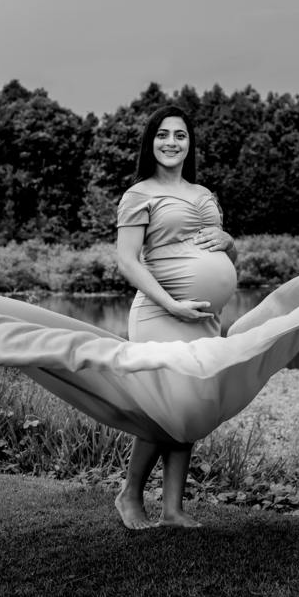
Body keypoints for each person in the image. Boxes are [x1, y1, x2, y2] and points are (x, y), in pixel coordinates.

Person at [113, 106, 238, 529]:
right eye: (163, 134)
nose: (171, 142)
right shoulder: (139, 194)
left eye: (180, 135)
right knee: (164, 406)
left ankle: (172, 509)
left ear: (190, 143)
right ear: (151, 142)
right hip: (160, 312)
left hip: (202, 318)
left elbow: (227, 258)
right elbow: (127, 261)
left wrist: (229, 242)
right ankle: (130, 495)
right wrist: (171, 304)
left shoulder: (205, 193)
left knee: (191, 406)